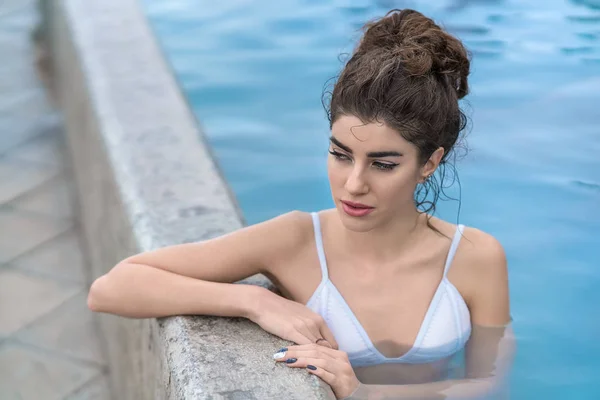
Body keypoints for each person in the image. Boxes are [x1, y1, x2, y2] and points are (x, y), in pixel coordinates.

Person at [88, 8, 515, 400]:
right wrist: (254, 302)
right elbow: (112, 288)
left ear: (429, 163)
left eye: (383, 164)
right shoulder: (294, 240)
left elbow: (487, 383)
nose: (353, 184)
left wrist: (365, 394)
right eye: (340, 154)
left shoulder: (476, 256)